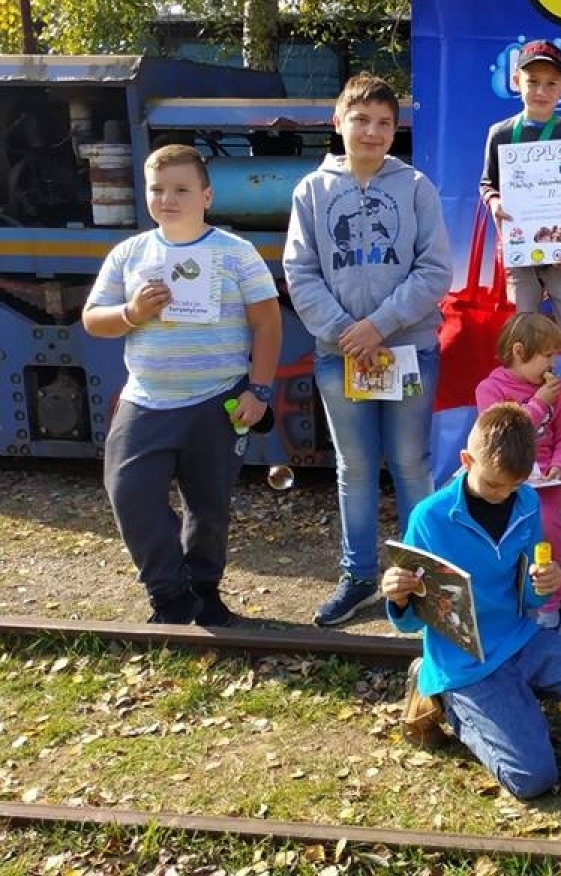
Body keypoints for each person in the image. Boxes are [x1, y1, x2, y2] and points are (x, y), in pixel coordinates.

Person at [383, 403, 561, 798]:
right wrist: (398, 598)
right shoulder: (429, 518)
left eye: (514, 486)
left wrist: (547, 582)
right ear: (467, 461)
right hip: (466, 662)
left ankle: (512, 707)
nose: (504, 496)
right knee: (533, 780)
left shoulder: (527, 501)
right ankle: (444, 698)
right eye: (495, 485)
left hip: (520, 638)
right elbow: (412, 622)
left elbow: (529, 594)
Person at [82, 144, 281, 625]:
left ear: (207, 195)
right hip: (145, 401)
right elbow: (92, 319)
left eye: (181, 189)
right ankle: (169, 597)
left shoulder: (237, 255)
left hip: (217, 401)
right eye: (157, 189)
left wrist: (258, 391)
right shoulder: (129, 254)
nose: (168, 199)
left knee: (209, 508)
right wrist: (132, 313)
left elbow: (268, 324)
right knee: (130, 494)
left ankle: (205, 591)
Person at [284, 73, 452, 627]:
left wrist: (378, 326)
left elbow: (434, 270)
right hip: (340, 356)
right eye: (361, 120)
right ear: (338, 122)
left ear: (396, 129)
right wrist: (343, 332)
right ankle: (358, 577)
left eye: (385, 122)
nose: (373, 131)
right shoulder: (311, 192)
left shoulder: (416, 188)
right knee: (354, 467)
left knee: (411, 464)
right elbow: (300, 271)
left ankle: (419, 578)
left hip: (407, 352)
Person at [479, 39, 561, 466]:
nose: (541, 90)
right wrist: (493, 202)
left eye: (550, 83)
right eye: (532, 81)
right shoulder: (501, 134)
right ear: (517, 82)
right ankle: (525, 433)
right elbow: (487, 183)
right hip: (521, 260)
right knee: (522, 350)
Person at [474, 312, 561, 629]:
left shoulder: (558, 390)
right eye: (547, 356)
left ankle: (550, 605)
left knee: (546, 523)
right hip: (504, 476)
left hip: (546, 480)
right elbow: (501, 437)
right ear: (519, 352)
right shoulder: (489, 389)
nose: (552, 364)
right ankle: (498, 598)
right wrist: (537, 404)